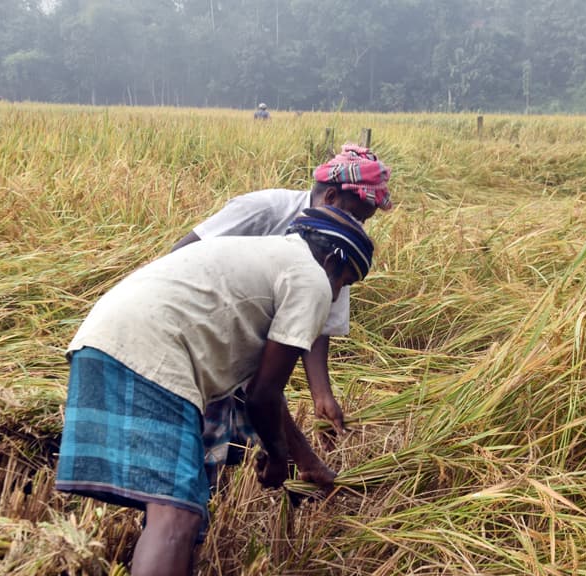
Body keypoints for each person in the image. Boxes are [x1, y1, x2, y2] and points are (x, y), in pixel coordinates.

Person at [55, 206, 374, 576]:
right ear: (333, 258)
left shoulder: (266, 255)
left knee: (175, 507)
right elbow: (262, 396)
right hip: (155, 353)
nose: (336, 296)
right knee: (177, 514)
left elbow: (262, 389)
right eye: (344, 282)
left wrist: (305, 462)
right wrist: (276, 456)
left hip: (101, 341)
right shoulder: (312, 278)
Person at [171, 145, 392, 487]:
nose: (359, 227)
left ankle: (225, 493)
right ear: (331, 197)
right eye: (358, 216)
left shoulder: (338, 246)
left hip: (252, 339)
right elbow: (182, 254)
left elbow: (315, 320)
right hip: (205, 328)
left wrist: (322, 395)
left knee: (243, 438)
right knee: (222, 429)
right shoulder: (264, 210)